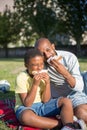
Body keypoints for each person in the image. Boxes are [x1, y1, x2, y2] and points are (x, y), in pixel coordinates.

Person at [15, 48, 83, 130]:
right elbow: (27, 104)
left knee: (66, 101)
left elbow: (46, 101)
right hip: (26, 108)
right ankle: (67, 125)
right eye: (35, 65)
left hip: (42, 106)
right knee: (25, 117)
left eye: (41, 64)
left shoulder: (45, 75)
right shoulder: (21, 78)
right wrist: (35, 85)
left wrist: (47, 83)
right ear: (26, 65)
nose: (39, 68)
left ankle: (68, 126)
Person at [35, 38, 87, 125]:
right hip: (57, 98)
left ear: (53, 46)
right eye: (42, 54)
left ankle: (72, 117)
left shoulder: (69, 57)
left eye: (48, 50)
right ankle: (71, 117)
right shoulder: (39, 65)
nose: (47, 56)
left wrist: (65, 73)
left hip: (74, 94)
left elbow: (79, 87)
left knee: (82, 114)